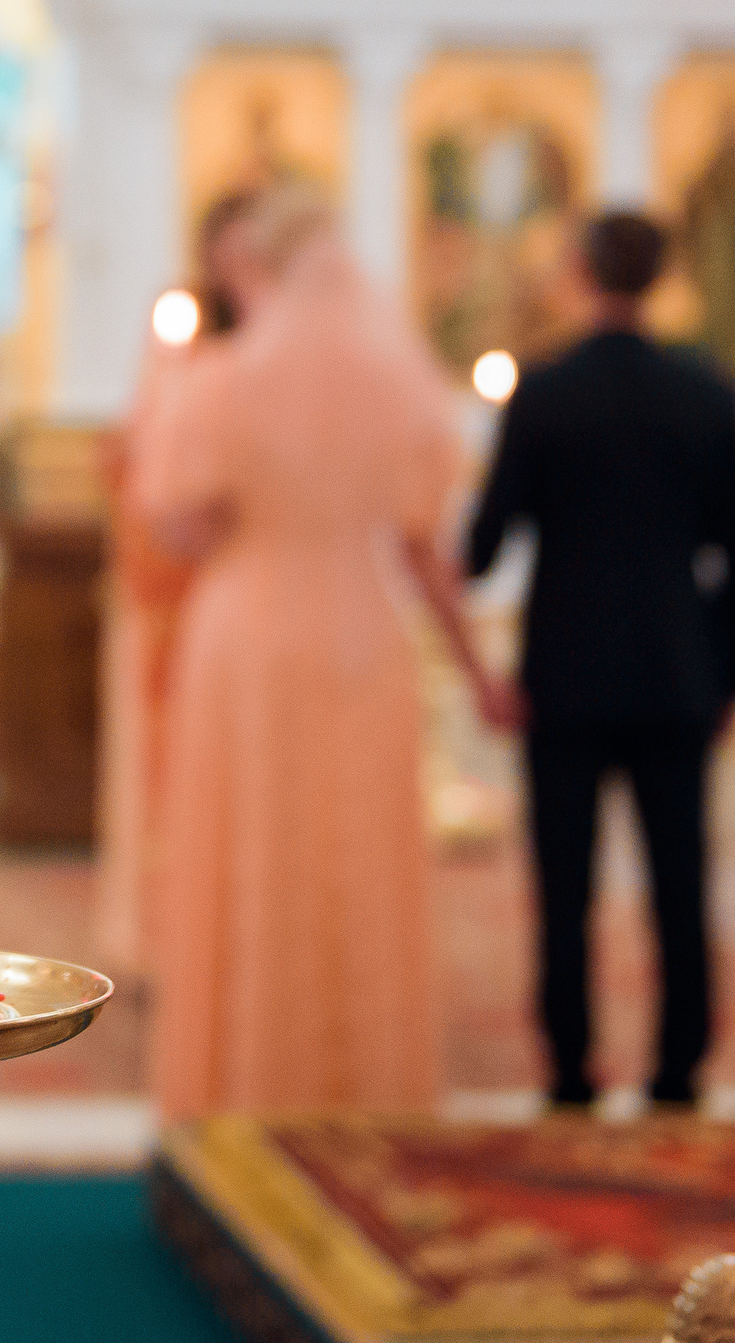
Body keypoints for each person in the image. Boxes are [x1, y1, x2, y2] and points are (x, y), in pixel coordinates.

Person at [133, 189, 508, 1116]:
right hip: (360, 630)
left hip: (249, 634)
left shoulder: (225, 378)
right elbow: (428, 551)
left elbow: (179, 525)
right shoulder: (397, 383)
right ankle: (365, 1086)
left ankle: (243, 1083)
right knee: (357, 852)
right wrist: (476, 670)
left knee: (250, 844)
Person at [464, 212, 735, 1111]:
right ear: (660, 277)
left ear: (583, 274)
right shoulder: (706, 391)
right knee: (680, 883)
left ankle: (569, 1069)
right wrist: (731, 675)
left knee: (565, 887)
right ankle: (678, 1070)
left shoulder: (544, 392)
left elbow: (482, 547)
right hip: (677, 675)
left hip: (565, 678)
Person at [95, 189, 259, 973]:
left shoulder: (283, 347)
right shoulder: (182, 330)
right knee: (163, 771)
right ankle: (166, 930)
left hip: (253, 589)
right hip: (173, 593)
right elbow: (149, 453)